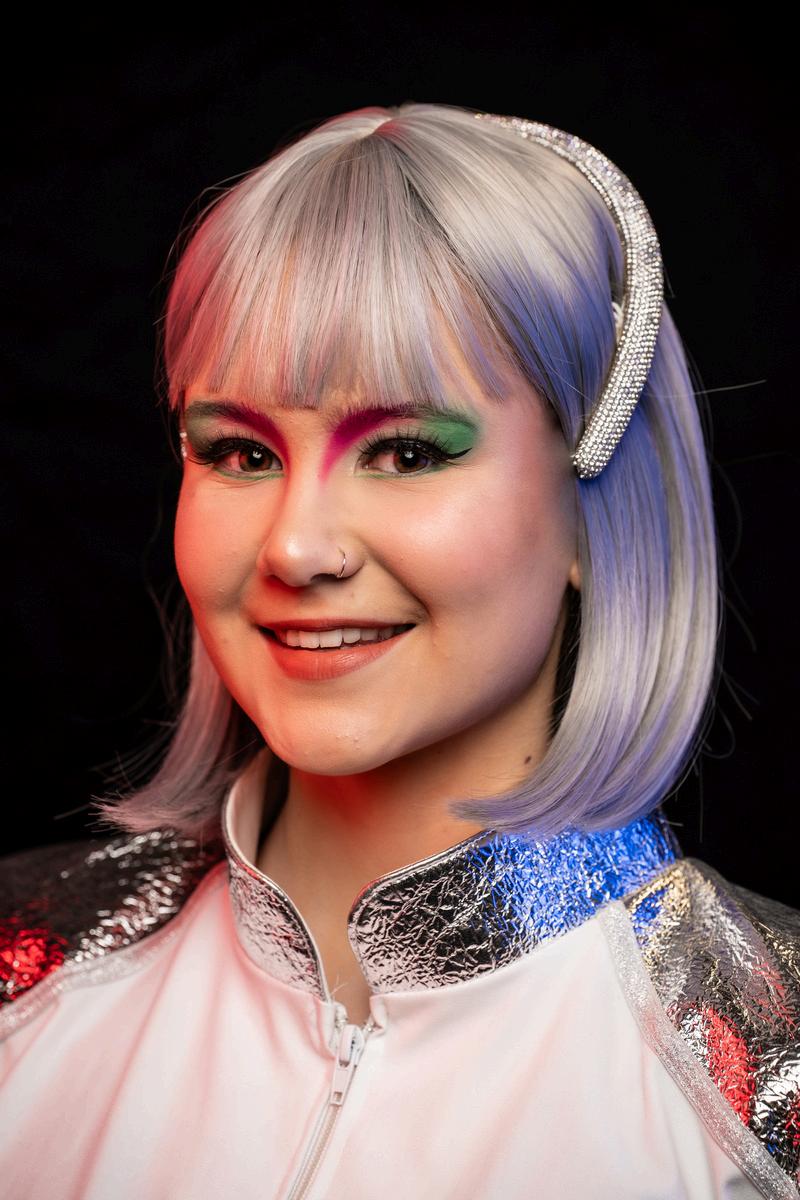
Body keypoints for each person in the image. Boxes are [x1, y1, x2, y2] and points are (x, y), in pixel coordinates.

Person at [1, 102, 797, 1200]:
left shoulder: (773, 1073)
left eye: (407, 451)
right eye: (239, 453)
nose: (295, 547)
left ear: (591, 506)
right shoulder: (23, 972)